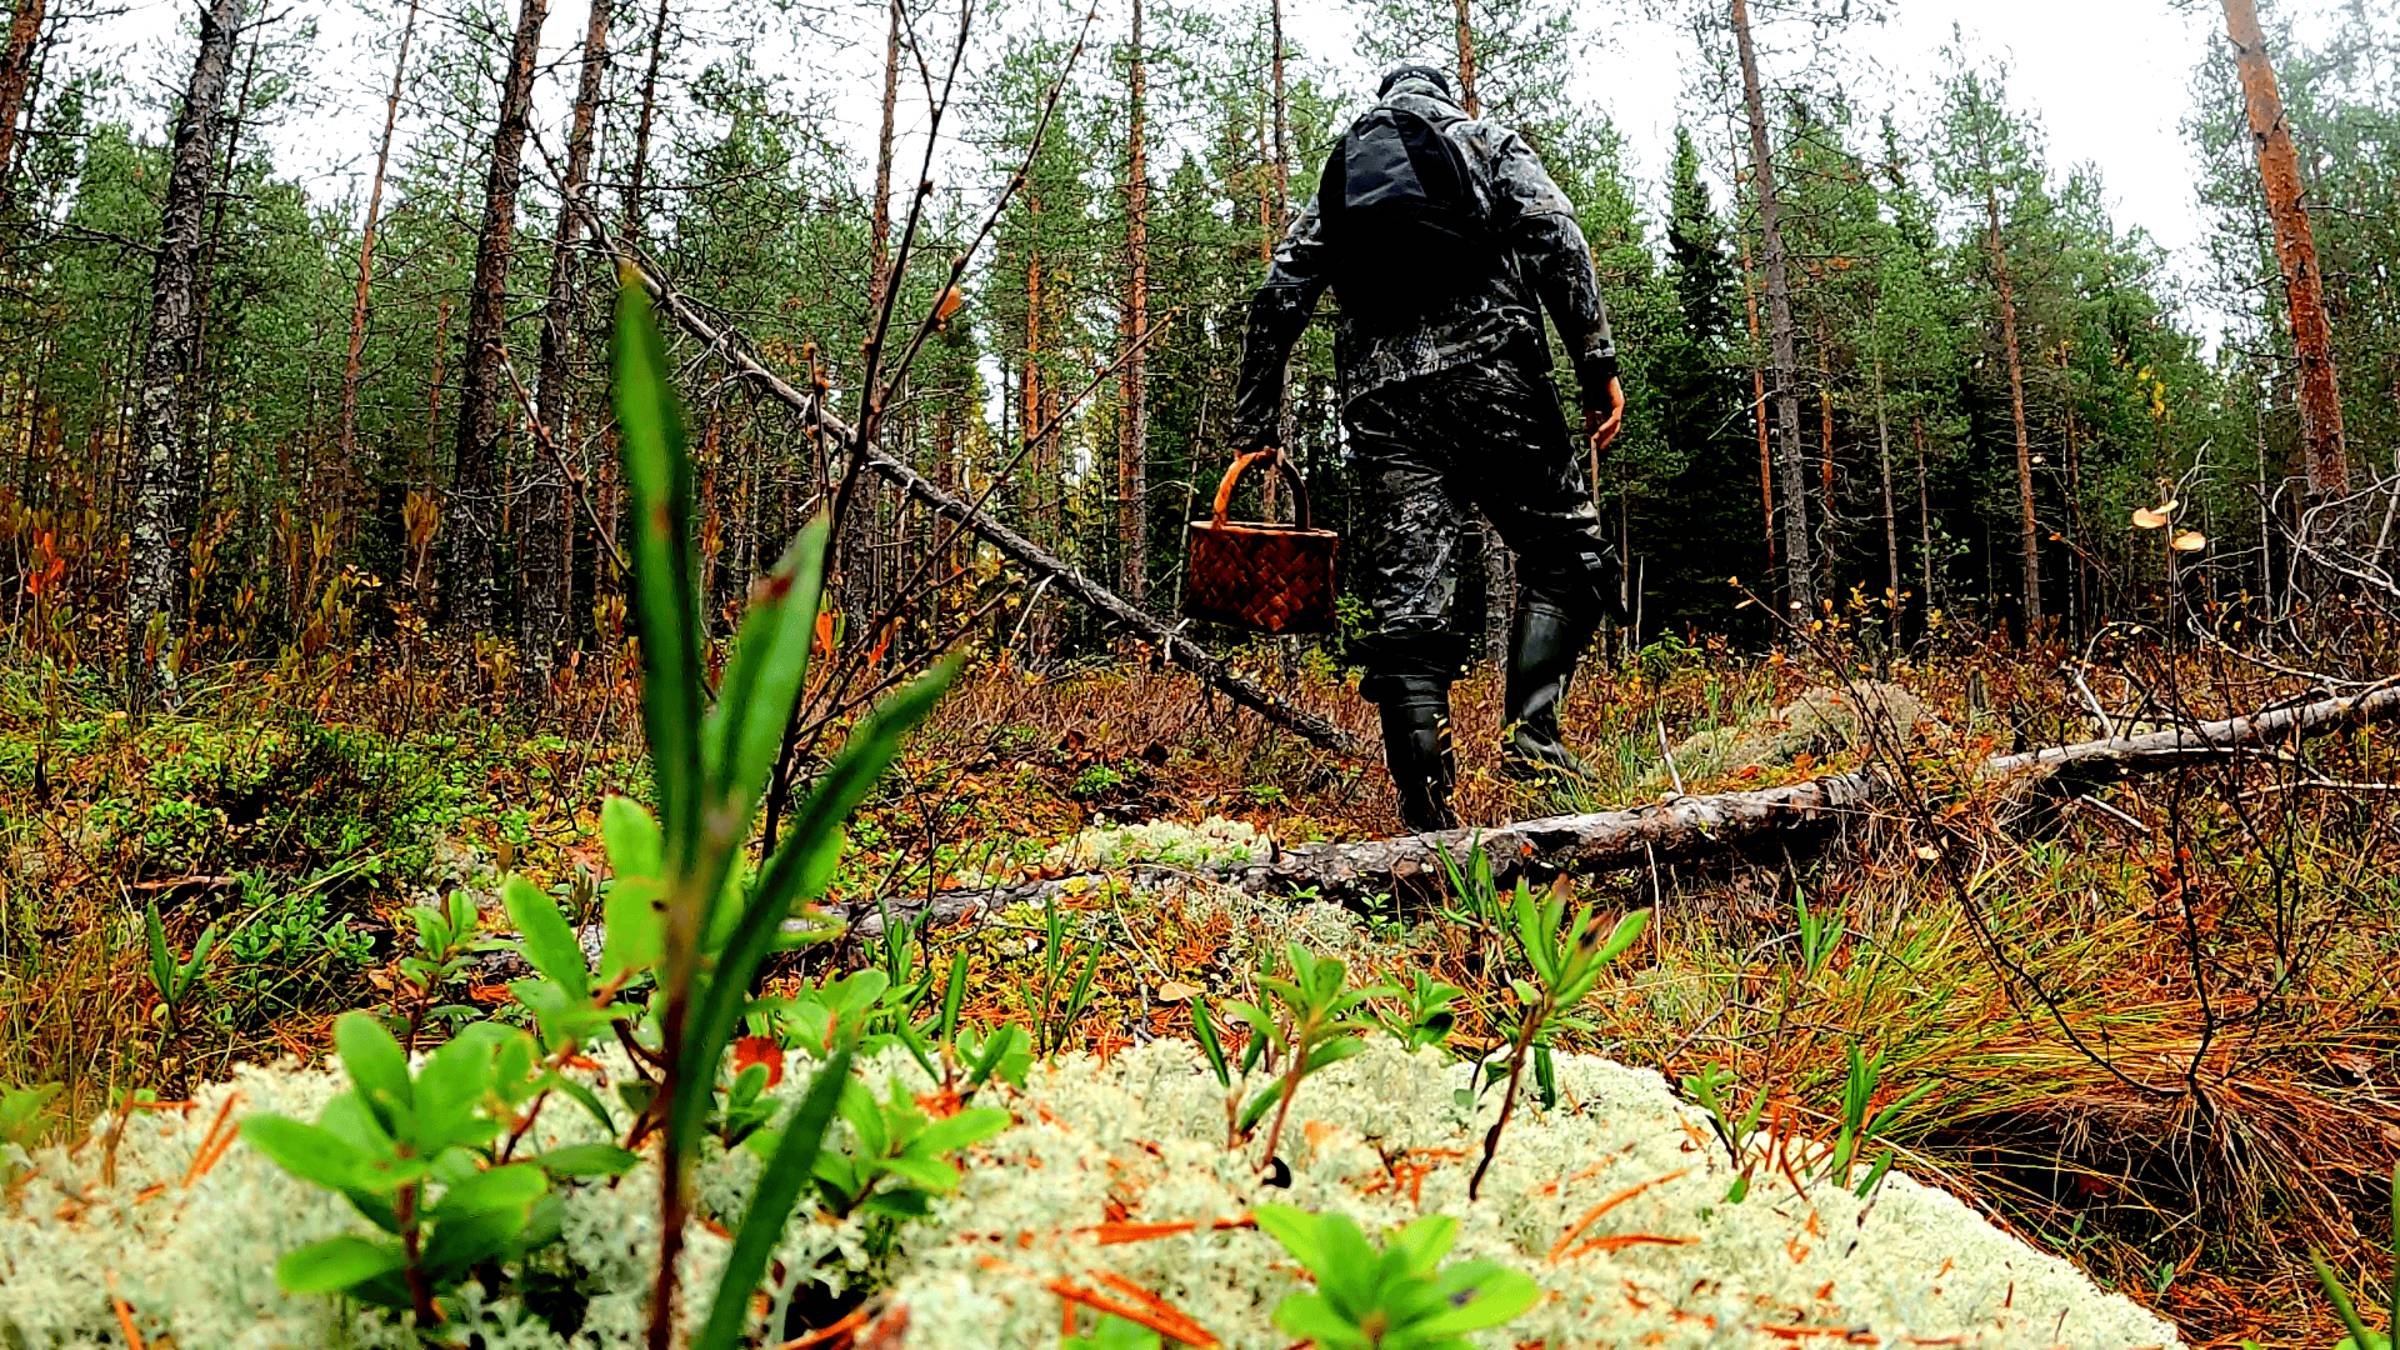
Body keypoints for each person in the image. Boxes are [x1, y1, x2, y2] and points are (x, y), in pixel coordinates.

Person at [1229, 62, 1626, 834]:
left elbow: (1279, 293)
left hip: (1383, 407)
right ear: (1446, 96)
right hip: (1493, 378)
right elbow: (1557, 236)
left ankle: (1426, 812)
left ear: (1386, 103)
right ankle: (1534, 748)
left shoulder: (1342, 174)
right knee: (1567, 556)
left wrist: (1256, 425)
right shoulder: (1485, 140)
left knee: (1407, 604)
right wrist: (1595, 361)